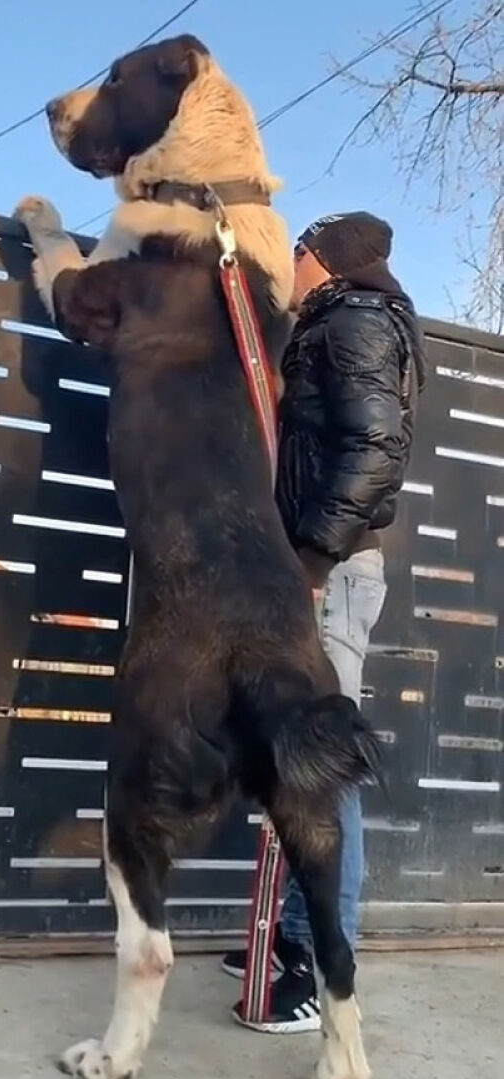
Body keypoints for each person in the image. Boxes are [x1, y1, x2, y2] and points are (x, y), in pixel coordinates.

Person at [222, 211, 427, 1032]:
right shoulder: (333, 324)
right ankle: (293, 933)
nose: (291, 260)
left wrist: (312, 556)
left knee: (323, 769)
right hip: (315, 565)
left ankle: (319, 966)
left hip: (332, 573)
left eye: (300, 249)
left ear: (327, 260)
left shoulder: (355, 323)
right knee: (293, 757)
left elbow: (377, 451)